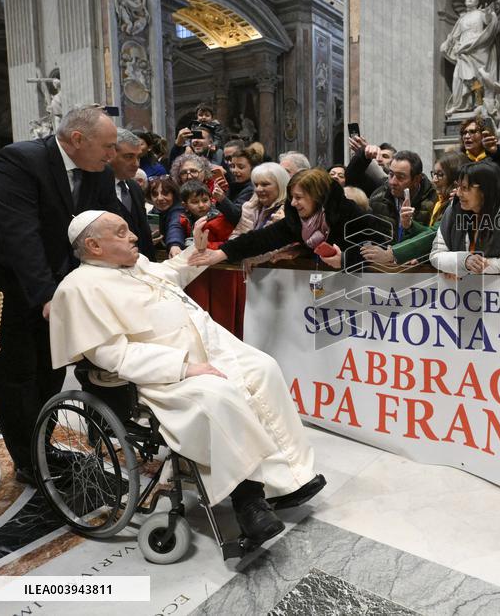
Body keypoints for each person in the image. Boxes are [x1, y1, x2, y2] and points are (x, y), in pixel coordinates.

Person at [50, 211, 326, 543]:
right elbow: (114, 356)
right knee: (218, 396)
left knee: (263, 367)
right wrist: (183, 366)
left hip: (207, 352)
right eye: (121, 233)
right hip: (159, 377)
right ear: (94, 245)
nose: (134, 236)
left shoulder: (136, 267)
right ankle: (248, 500)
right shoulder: (79, 288)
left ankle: (289, 479)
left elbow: (172, 273)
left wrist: (197, 251)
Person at [0, 105, 119, 483]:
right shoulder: (19, 160)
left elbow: (108, 227)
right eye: (107, 147)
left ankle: (42, 446)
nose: (111, 155)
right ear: (77, 140)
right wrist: (48, 296)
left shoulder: (99, 172)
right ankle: (30, 461)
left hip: (58, 288)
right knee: (15, 375)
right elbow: (20, 236)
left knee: (50, 369)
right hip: (7, 288)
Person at [190, 168, 365, 272]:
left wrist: (346, 259)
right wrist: (220, 254)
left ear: (317, 197)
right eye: (291, 197)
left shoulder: (350, 215)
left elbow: (379, 246)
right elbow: (261, 238)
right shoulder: (297, 219)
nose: (293, 203)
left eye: (299, 197)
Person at [363, 151, 468, 267]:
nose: (392, 182)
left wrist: (393, 254)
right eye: (391, 174)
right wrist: (410, 226)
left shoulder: (443, 199)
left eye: (440, 175)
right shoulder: (377, 197)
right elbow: (434, 238)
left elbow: (434, 234)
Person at [429, 161, 500, 277]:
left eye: (464, 188)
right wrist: (463, 262)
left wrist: (473, 266)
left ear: (485, 190)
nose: (458, 193)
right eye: (457, 186)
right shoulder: (454, 208)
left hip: (493, 291)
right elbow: (435, 255)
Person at [440, 0, 500, 116]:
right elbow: (454, 35)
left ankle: (479, 104)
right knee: (460, 78)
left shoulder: (480, 13)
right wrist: (448, 43)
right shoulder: (461, 19)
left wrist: (489, 14)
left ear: (477, 1)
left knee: (477, 77)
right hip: (463, 50)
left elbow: (489, 22)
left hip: (478, 46)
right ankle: (461, 104)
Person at [111, 128, 155, 259]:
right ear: (109, 154)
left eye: (138, 157)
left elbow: (144, 233)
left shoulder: (135, 187)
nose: (136, 164)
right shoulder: (95, 189)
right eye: (129, 157)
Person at [179, 181, 233, 249]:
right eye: (195, 202)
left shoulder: (219, 220)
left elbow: (230, 243)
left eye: (205, 200)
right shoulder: (184, 219)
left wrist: (204, 245)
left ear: (211, 200)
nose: (201, 205)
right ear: (185, 205)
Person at [215, 146, 259, 225]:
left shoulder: (252, 189)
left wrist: (222, 198)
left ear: (253, 168)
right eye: (232, 166)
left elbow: (237, 217)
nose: (234, 170)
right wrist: (224, 191)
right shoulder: (235, 185)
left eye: (240, 167)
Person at [147, 176, 186, 257]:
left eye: (165, 193)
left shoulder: (179, 210)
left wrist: (175, 245)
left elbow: (175, 226)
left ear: (174, 194)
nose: (160, 198)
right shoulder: (152, 214)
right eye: (155, 194)